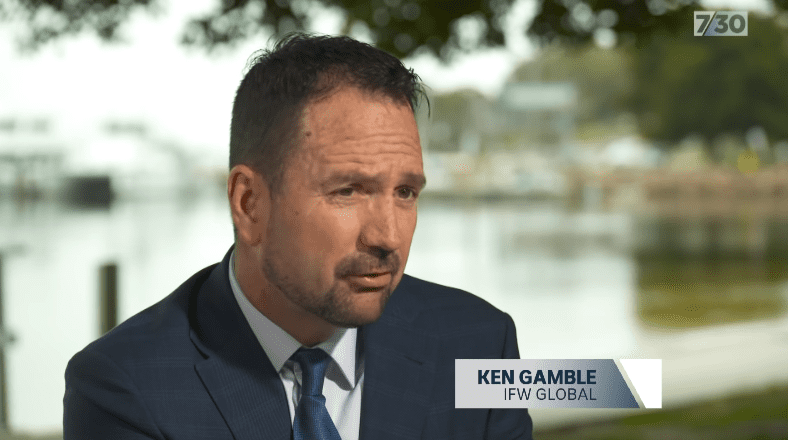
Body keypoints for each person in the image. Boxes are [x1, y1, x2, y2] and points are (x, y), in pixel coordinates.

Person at [64, 33, 533, 439]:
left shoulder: (481, 344)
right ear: (250, 203)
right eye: (348, 191)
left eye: (405, 192)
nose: (388, 236)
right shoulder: (122, 387)